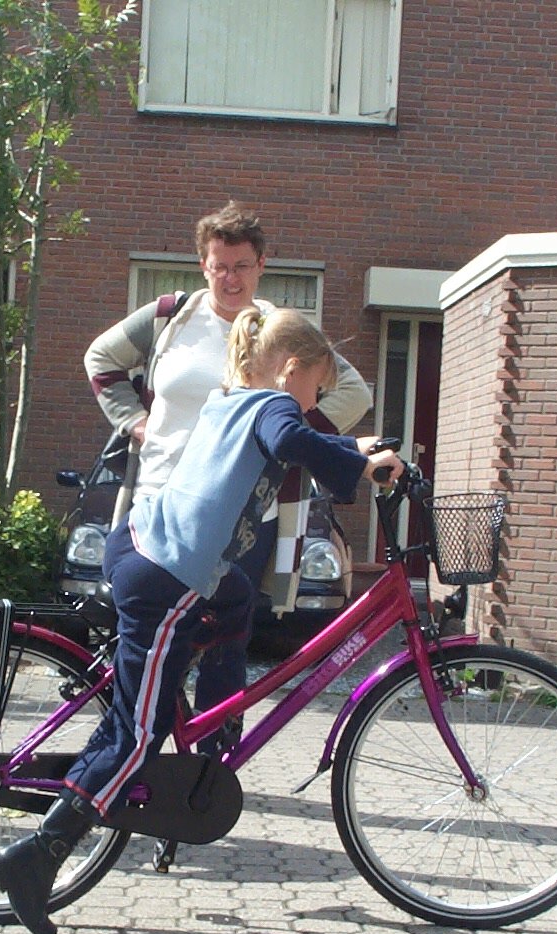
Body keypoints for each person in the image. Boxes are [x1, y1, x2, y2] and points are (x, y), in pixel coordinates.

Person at [0, 307, 403, 934]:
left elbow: (286, 435)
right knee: (139, 734)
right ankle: (37, 857)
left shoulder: (230, 399)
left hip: (143, 548)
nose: (314, 402)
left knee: (235, 601)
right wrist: (357, 465)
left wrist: (353, 448)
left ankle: (208, 740)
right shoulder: (275, 408)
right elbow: (290, 438)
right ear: (291, 370)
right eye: (316, 389)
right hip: (169, 578)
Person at [83, 202, 373, 735]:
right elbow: (101, 359)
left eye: (241, 266)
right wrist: (135, 422)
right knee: (155, 643)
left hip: (242, 513)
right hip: (162, 501)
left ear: (262, 265)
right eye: (219, 266)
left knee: (225, 642)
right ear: (203, 265)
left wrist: (294, 440)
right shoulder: (171, 317)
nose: (230, 278)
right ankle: (141, 744)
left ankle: (212, 758)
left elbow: (351, 389)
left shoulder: (278, 330)